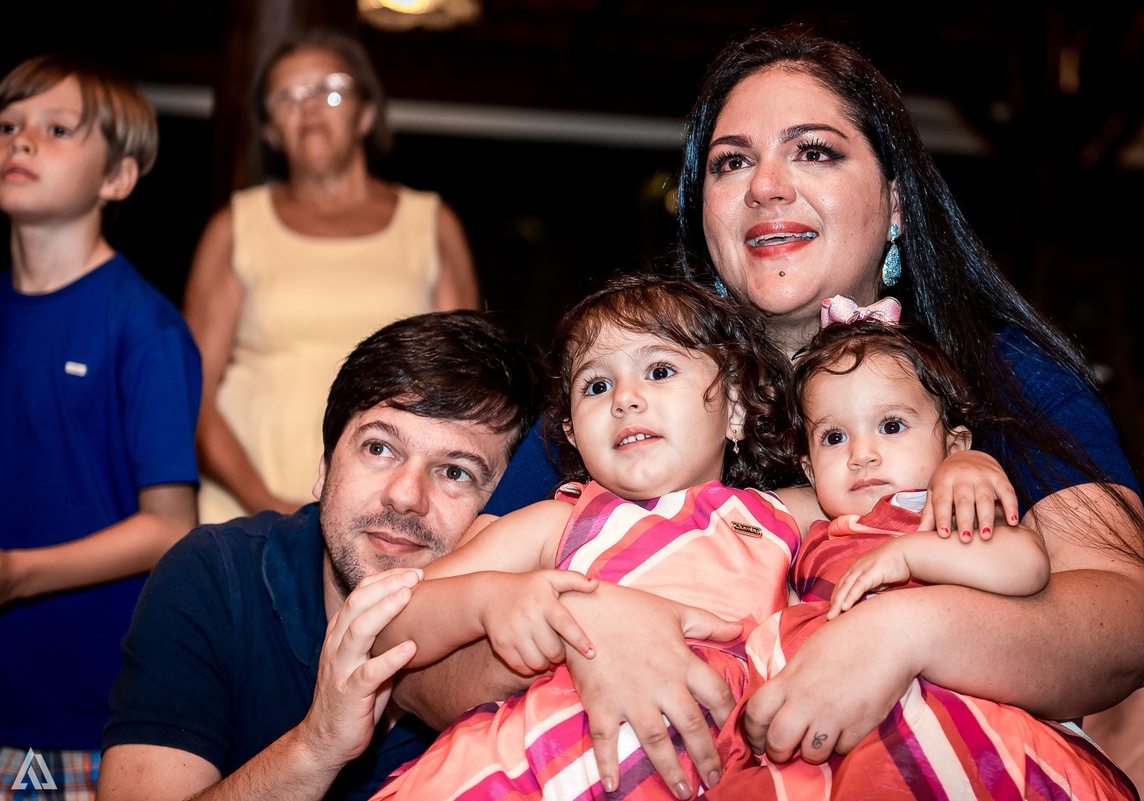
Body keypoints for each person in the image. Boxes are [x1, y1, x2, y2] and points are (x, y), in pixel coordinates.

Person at [400, 22, 1144, 800]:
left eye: (814, 150)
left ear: (897, 204)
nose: (765, 185)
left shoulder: (1000, 372)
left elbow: (1124, 624)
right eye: (732, 162)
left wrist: (906, 632)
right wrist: (590, 640)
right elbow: (412, 670)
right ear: (704, 214)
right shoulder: (626, 403)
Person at [366, 273, 807, 799]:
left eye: (659, 370)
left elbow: (896, 501)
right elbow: (388, 619)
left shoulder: (782, 518)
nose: (625, 399)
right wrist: (491, 599)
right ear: (573, 432)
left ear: (734, 407)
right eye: (597, 386)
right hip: (522, 772)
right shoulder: (563, 523)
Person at [97, 311, 541, 801]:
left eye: (455, 472)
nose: (404, 496)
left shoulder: (516, 644)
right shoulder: (216, 578)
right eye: (379, 448)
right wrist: (317, 747)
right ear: (325, 468)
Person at [709, 300, 1136, 799]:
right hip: (821, 719)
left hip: (938, 713)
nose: (861, 454)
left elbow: (1025, 564)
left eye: (891, 426)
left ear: (954, 447)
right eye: (834, 436)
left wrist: (912, 555)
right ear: (807, 468)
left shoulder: (942, 506)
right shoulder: (812, 529)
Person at [0, 52, 202, 797]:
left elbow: (169, 526)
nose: (20, 142)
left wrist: (18, 571)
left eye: (55, 129)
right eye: (8, 125)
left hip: (89, 709)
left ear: (116, 178)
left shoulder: (143, 327)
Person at [184, 27, 482, 525]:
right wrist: (264, 504)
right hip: (244, 510)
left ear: (366, 114)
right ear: (269, 130)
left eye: (331, 89)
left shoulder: (431, 223)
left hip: (390, 513)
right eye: (287, 97)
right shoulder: (235, 226)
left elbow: (464, 390)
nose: (309, 107)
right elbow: (191, 392)